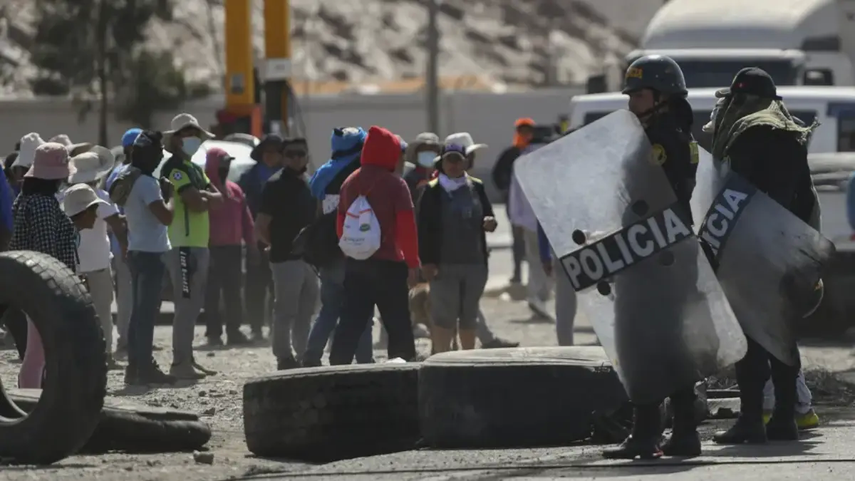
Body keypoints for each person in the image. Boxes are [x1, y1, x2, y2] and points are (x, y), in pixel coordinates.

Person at [708, 68, 819, 445]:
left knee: (752, 340)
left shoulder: (747, 133)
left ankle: (752, 420)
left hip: (751, 250)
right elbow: (805, 197)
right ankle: (785, 420)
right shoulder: (790, 132)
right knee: (782, 337)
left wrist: (710, 244)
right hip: (786, 249)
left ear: (739, 99)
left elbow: (734, 196)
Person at [602, 55, 702, 459]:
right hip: (666, 253)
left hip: (652, 255)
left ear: (662, 96)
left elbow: (648, 199)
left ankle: (646, 436)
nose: (631, 103)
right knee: (671, 344)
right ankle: (684, 433)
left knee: (640, 343)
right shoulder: (672, 133)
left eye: (639, 95)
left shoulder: (659, 141)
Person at [329, 126, 419, 364]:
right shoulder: (396, 185)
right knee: (398, 323)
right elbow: (407, 228)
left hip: (356, 264)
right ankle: (403, 370)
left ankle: (336, 368)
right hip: (389, 265)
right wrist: (412, 263)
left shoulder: (349, 182)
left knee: (350, 321)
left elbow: (342, 225)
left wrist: (352, 251)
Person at [10, 142, 79, 388]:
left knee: (39, 347)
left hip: (33, 280)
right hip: (44, 283)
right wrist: (56, 285)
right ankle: (29, 395)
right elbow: (46, 249)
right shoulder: (42, 204)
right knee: (39, 350)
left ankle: (33, 391)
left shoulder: (27, 199)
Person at [303, 127, 375, 367]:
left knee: (329, 310)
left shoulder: (323, 173)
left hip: (328, 254)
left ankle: (311, 357)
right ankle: (365, 360)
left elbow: (316, 215)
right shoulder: (362, 176)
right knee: (362, 312)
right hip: (357, 253)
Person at [161, 113, 223, 380]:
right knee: (186, 305)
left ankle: (187, 357)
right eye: (188, 134)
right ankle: (179, 362)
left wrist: (203, 197)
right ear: (176, 139)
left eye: (196, 134)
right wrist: (205, 198)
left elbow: (220, 198)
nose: (194, 140)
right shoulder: (173, 168)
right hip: (182, 245)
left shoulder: (195, 169)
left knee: (193, 305)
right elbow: (196, 201)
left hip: (198, 244)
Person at [418, 142, 496, 352]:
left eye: (457, 160)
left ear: (465, 162)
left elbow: (489, 216)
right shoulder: (432, 191)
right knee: (444, 317)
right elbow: (423, 229)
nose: (453, 165)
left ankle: (468, 361)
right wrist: (427, 262)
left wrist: (490, 222)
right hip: (443, 266)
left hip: (474, 264)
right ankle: (443, 360)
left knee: (469, 316)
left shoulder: (476, 187)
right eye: (449, 160)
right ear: (441, 162)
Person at [117, 130, 176, 386]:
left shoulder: (128, 178)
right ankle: (144, 368)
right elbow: (166, 217)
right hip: (152, 254)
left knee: (137, 313)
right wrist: (171, 196)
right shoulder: (147, 183)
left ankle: (134, 367)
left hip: (136, 249)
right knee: (146, 314)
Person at [254, 137, 319, 370]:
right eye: (290, 154)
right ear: (283, 157)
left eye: (300, 153)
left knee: (306, 311)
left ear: (307, 156)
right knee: (285, 310)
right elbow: (260, 224)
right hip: (285, 259)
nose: (296, 158)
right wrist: (277, 244)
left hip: (310, 260)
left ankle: (304, 354)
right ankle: (283, 356)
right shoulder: (275, 184)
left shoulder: (311, 182)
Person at [64, 145, 127, 368]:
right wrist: (126, 249)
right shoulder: (100, 197)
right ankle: (105, 356)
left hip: (72, 266)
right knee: (102, 314)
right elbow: (117, 225)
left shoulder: (65, 196)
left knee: (76, 315)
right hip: (99, 264)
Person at [204, 147, 256, 346]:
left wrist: (251, 244)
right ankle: (213, 333)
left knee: (233, 292)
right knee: (212, 293)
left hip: (233, 248)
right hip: (211, 248)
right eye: (222, 162)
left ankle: (234, 331)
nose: (225, 167)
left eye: (227, 163)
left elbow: (247, 219)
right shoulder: (204, 190)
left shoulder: (235, 190)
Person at [239, 134, 285, 340]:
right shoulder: (249, 176)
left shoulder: (287, 176)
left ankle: (276, 327)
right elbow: (241, 207)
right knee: (255, 284)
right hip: (255, 237)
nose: (270, 156)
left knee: (279, 285)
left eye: (275, 152)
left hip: (282, 237)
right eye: (267, 152)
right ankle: (256, 327)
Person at [508, 127, 554, 320]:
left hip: (528, 221)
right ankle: (540, 297)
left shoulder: (521, 161)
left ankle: (535, 297)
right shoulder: (551, 160)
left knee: (534, 261)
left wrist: (516, 219)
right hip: (551, 221)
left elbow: (514, 195)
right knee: (551, 263)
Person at [108, 127, 142, 357]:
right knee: (128, 295)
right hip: (126, 244)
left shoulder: (130, 172)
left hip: (136, 243)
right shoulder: (123, 174)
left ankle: (135, 336)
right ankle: (126, 339)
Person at [492, 118, 535, 284]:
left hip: (534, 205)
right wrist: (506, 190)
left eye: (528, 132)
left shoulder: (536, 152)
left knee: (535, 243)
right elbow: (497, 174)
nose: (525, 135)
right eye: (522, 132)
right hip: (515, 204)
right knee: (518, 240)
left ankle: (535, 274)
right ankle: (517, 273)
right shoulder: (510, 154)